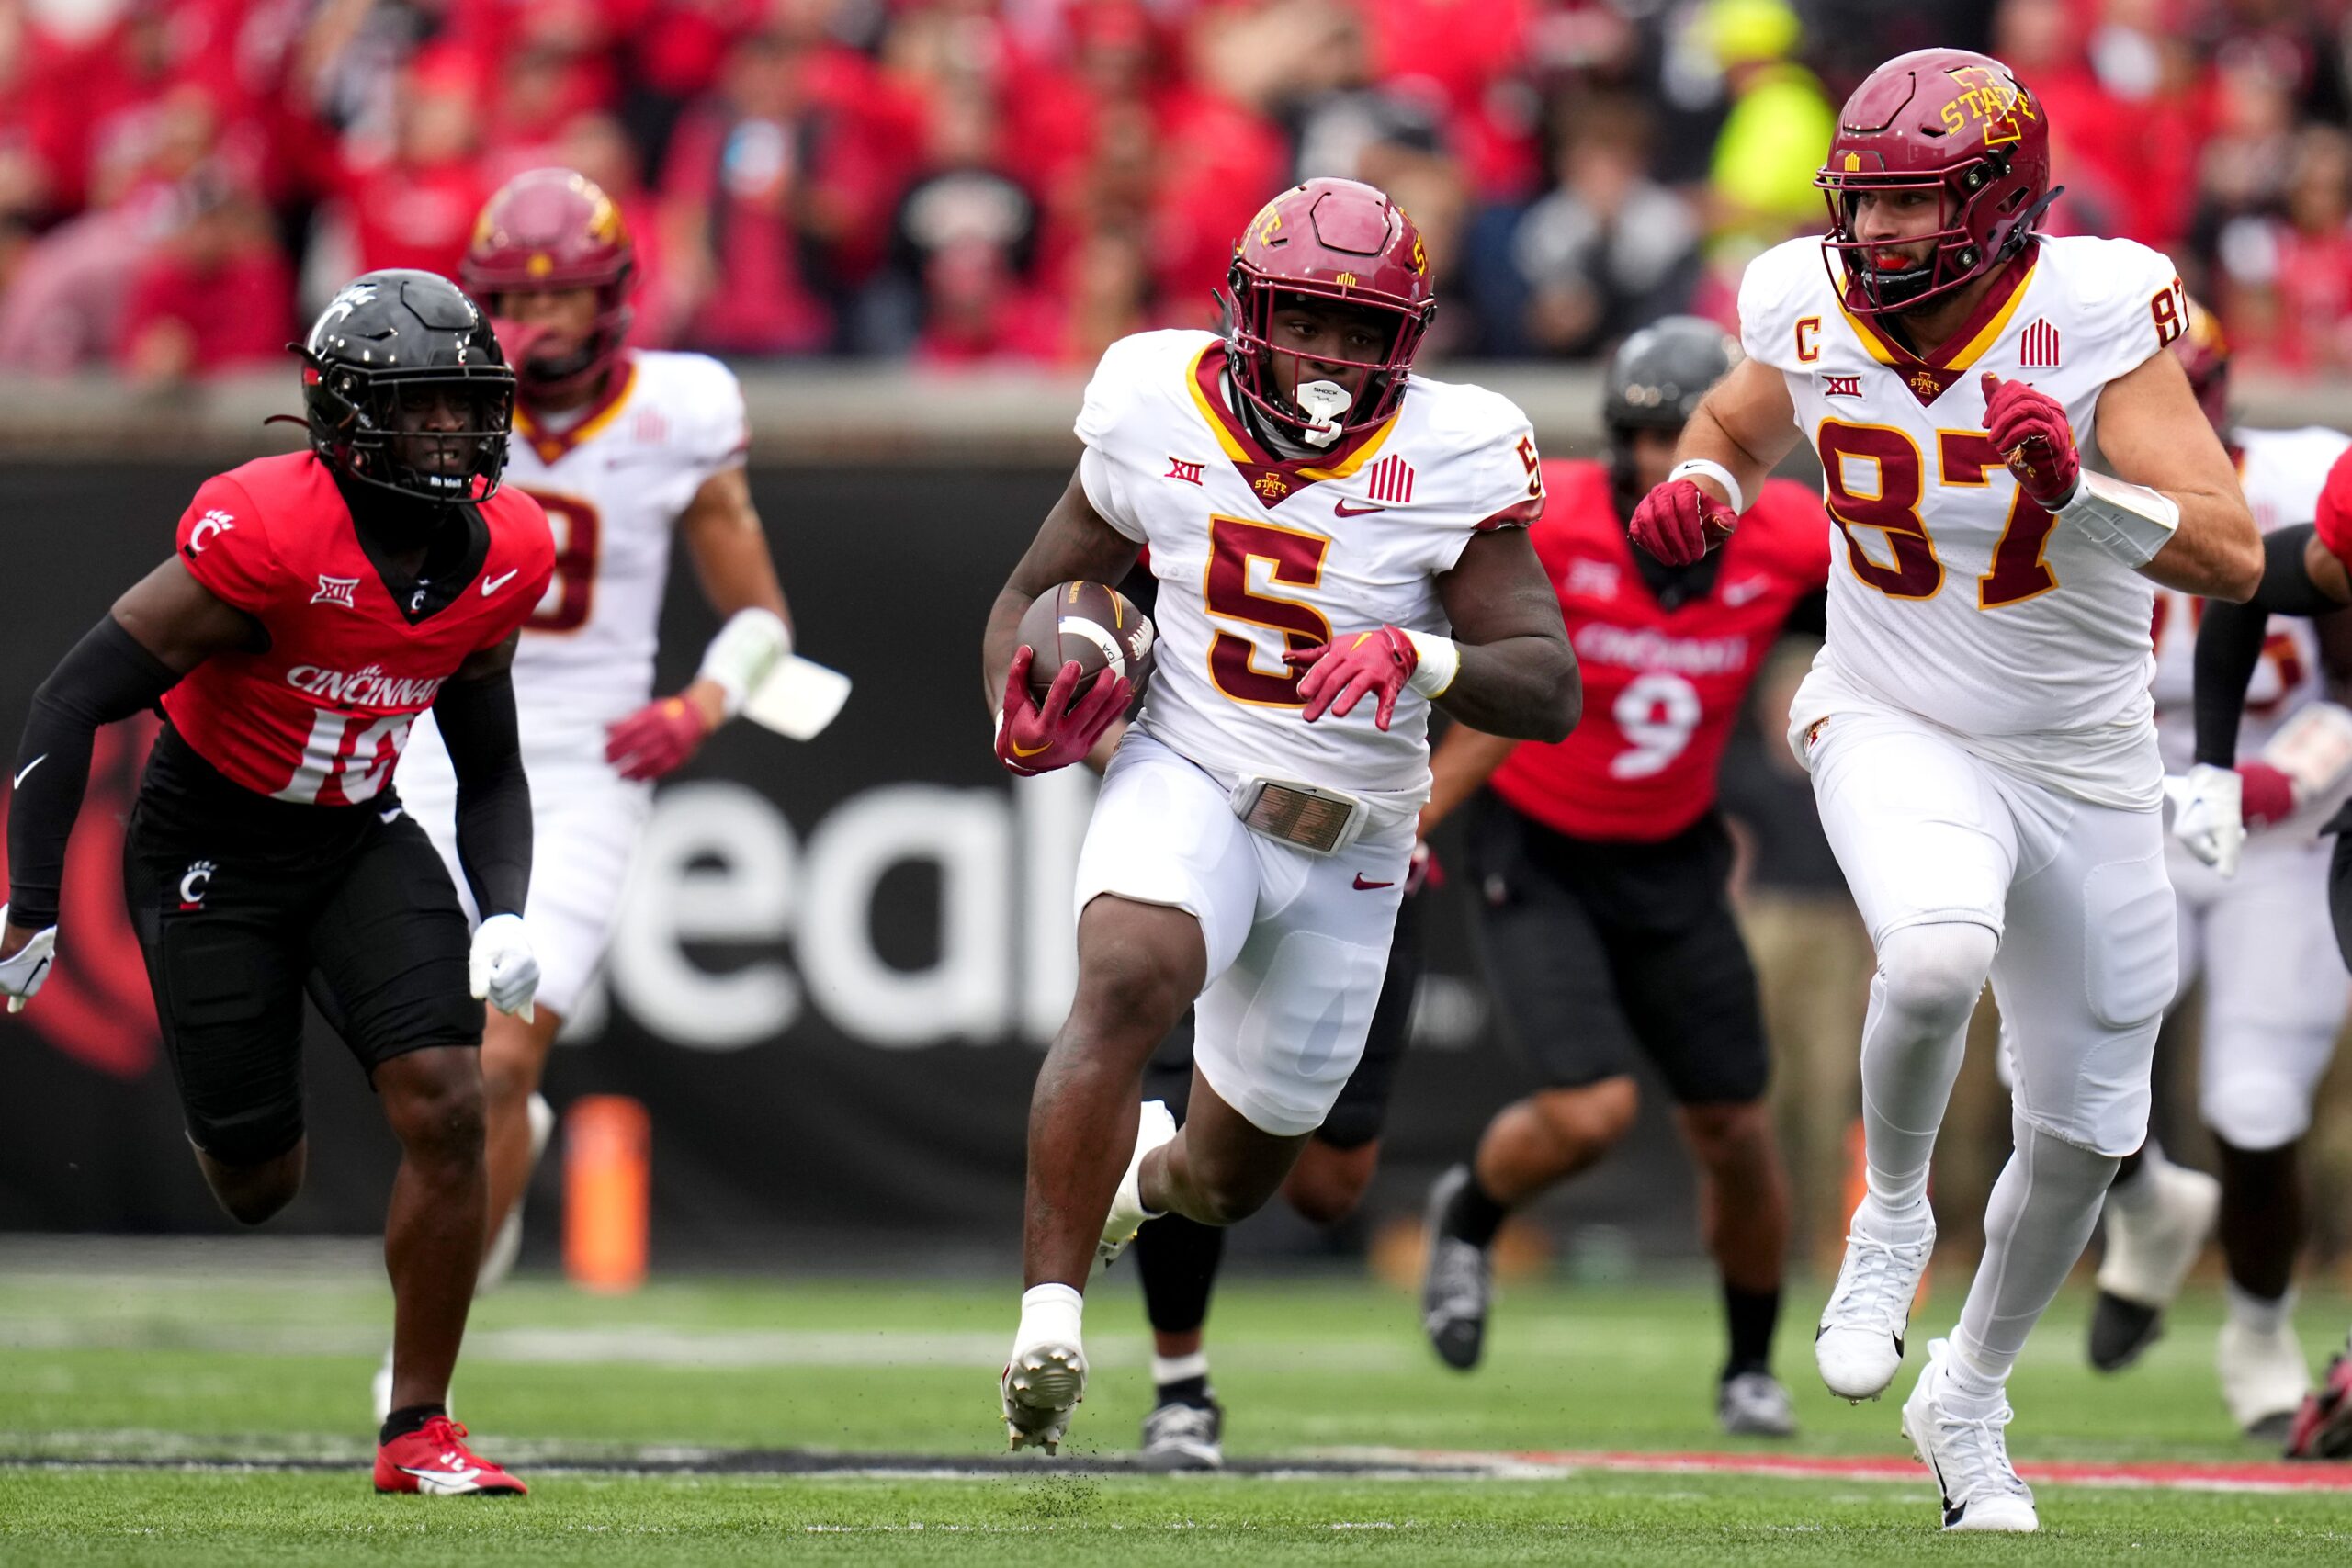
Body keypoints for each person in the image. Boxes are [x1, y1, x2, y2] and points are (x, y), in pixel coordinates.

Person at [1636, 50, 2259, 1531]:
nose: (1880, 236)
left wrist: (2078, 493)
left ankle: (1970, 1394)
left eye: (1915, 208)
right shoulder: (1804, 294)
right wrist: (1710, 486)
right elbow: (1737, 421)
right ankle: (1893, 1213)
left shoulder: (2096, 306)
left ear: (1996, 203)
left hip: (2086, 755)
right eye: (1869, 205)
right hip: (1894, 706)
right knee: (1930, 951)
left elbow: (2231, 552)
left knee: (2091, 1134)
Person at [980, 175, 1577, 1453]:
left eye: (1362, 332)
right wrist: (1016, 705)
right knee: (1127, 977)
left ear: (1404, 343)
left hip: (1352, 837)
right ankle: (1048, 1319)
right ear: (1250, 313)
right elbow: (1038, 588)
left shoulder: (1455, 447)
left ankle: (1137, 1176)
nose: (1329, 354)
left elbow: (1548, 682)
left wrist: (1423, 660)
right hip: (1188, 762)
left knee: (1234, 1179)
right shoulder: (1154, 398)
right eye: (1307, 319)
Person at [0, 270, 556, 1495]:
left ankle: (418, 1427)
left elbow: (492, 760)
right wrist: (31, 901)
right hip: (214, 845)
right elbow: (71, 696)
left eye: (468, 407)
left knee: (453, 1098)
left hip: (361, 832)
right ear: (348, 413)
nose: (455, 434)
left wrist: (506, 901)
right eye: (423, 410)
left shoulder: (509, 548)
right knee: (259, 1182)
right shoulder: (269, 531)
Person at [384, 168, 795, 1418]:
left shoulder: (681, 407)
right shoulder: (429, 400)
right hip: (429, 745)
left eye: (567, 295)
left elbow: (763, 621)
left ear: (616, 294)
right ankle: (487, 1194)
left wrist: (698, 706)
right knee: (423, 1069)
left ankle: (410, 1374)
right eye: (519, 298)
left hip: (582, 765)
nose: (544, 323)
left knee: (499, 1060)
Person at [1417, 317, 1829, 1438]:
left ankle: (1748, 1365)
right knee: (1592, 1111)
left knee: (1736, 1132)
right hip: (1540, 849)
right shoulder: (1546, 528)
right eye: (1644, 436)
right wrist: (1418, 813)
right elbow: (1479, 690)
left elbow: (1892, 618)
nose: (1663, 464)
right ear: (1616, 438)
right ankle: (1471, 1214)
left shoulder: (1789, 534)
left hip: (1674, 855)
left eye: (1684, 436)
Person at [2087, 300, 2352, 1438]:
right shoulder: (2058, 487)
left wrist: (2282, 777)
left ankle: (2256, 1329)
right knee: (2056, 1056)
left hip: (2288, 825)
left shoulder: (2301, 479)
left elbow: (2334, 665)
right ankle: (2145, 1208)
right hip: (2128, 801)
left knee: (2252, 1100)